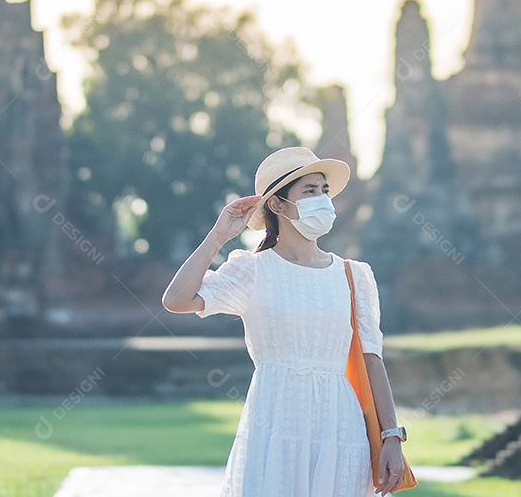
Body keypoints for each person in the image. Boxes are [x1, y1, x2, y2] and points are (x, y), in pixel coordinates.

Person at [163, 146, 408, 497]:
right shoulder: (252, 270)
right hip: (274, 425)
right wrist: (218, 236)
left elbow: (372, 360)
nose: (322, 200)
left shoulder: (354, 275)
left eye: (324, 191)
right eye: (309, 191)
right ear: (277, 205)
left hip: (341, 428)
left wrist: (392, 437)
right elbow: (176, 300)